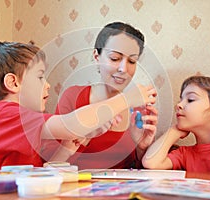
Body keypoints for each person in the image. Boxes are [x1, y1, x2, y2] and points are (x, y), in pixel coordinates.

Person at [0, 41, 157, 172]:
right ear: (13, 83)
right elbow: (71, 123)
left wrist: (70, 145)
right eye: (39, 77)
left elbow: (44, 171)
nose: (47, 85)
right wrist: (127, 99)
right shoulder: (1, 114)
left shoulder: (26, 120)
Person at [50, 21, 158, 169]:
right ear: (96, 56)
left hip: (122, 190)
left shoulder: (138, 108)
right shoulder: (73, 97)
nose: (123, 69)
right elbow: (52, 164)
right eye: (115, 58)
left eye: (132, 61)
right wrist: (86, 132)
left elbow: (138, 172)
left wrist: (142, 147)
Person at [142, 75, 210, 173]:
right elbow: (150, 163)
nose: (178, 105)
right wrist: (174, 131)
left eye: (190, 100)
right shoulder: (185, 154)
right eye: (180, 100)